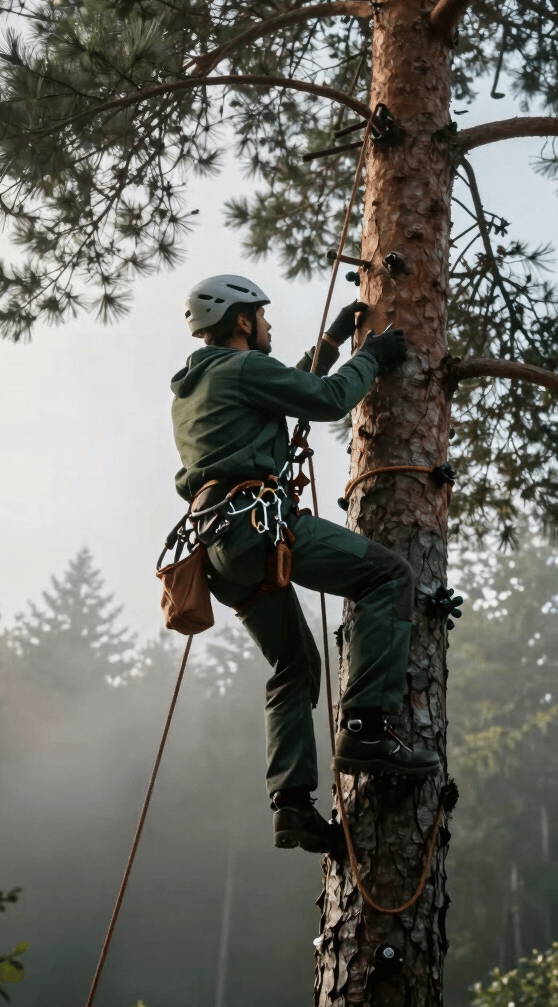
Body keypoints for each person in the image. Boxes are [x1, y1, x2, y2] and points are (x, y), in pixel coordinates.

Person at [171, 275, 440, 854]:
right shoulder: (240, 369)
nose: (268, 324)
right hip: (257, 523)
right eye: (261, 316)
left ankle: (292, 805)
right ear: (241, 321)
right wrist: (369, 356)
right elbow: (323, 400)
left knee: (294, 665)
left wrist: (335, 340)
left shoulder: (199, 385)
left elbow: (283, 385)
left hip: (218, 549)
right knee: (387, 575)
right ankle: (367, 728)